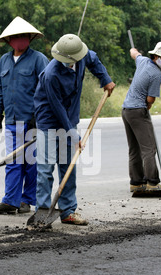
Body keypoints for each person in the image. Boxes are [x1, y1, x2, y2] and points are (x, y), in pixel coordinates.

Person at [33, 34, 115, 225]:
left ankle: (68, 211)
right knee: (45, 169)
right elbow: (57, 107)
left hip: (70, 116)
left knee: (68, 166)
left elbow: (94, 60)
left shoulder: (82, 55)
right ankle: (42, 211)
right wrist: (72, 133)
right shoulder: (51, 74)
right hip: (49, 119)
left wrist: (105, 79)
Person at [0, 17, 49, 215]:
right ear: (9, 40)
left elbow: (47, 89)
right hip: (13, 121)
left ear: (29, 38)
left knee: (31, 163)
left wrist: (38, 115)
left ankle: (26, 200)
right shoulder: (4, 61)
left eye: (23, 36)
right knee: (13, 161)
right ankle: (10, 200)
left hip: (32, 120)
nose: (20, 40)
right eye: (16, 37)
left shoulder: (39, 59)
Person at [121, 42, 161, 193]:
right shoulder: (157, 75)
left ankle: (136, 182)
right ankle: (152, 183)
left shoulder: (143, 61)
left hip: (126, 110)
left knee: (134, 148)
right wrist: (148, 107)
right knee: (148, 149)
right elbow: (150, 100)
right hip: (138, 111)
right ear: (157, 56)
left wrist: (133, 50)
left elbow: (134, 53)